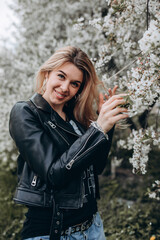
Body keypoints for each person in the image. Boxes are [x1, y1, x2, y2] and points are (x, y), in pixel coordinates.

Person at [9, 46, 128, 240]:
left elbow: (96, 167)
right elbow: (54, 174)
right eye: (61, 76)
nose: (65, 88)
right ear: (47, 73)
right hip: (51, 233)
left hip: (93, 228)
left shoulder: (76, 117)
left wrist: (106, 125)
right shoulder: (25, 113)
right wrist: (97, 129)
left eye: (74, 84)